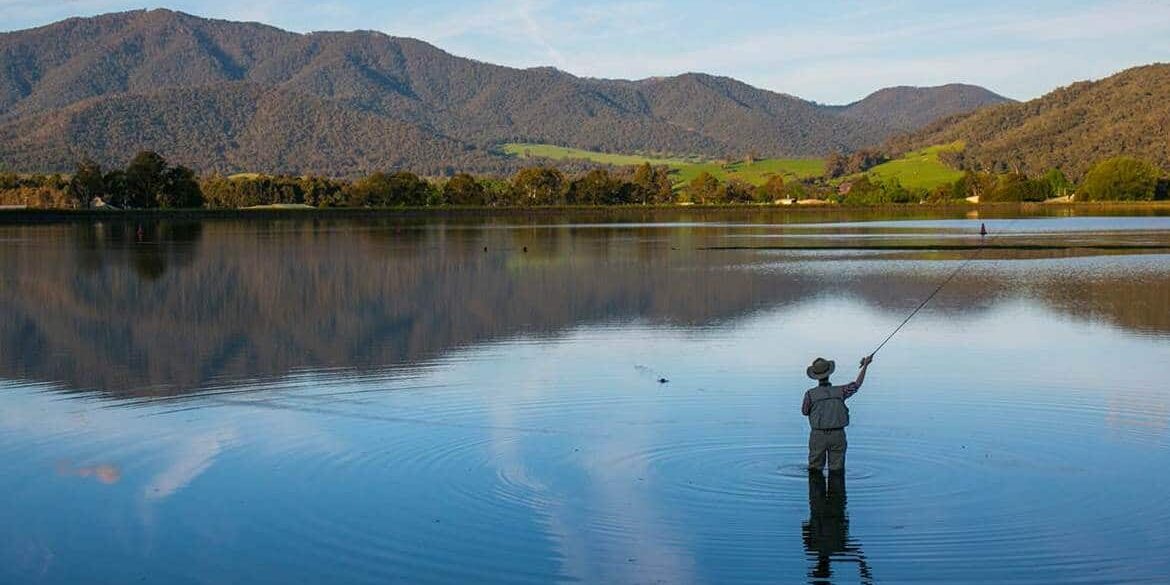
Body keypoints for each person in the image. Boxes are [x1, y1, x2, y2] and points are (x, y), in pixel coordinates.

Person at [801, 355, 872, 472]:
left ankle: (815, 488)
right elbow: (857, 385)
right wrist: (865, 365)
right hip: (838, 435)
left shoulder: (810, 394)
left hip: (817, 436)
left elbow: (804, 412)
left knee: (814, 469)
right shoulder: (841, 391)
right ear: (829, 374)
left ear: (815, 377)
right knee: (837, 470)